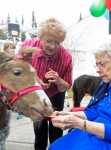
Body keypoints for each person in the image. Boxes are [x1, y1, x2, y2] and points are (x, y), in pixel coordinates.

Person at [47, 36, 111, 150]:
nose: (97, 69)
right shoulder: (107, 82)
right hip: (91, 136)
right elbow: (93, 111)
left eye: (102, 64)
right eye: (96, 64)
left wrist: (80, 124)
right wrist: (68, 115)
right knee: (56, 146)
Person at [21, 17, 72, 150]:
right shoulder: (29, 46)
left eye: (57, 42)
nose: (53, 46)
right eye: (49, 41)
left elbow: (66, 86)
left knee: (56, 129)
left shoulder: (66, 57)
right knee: (39, 131)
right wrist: (37, 80)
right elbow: (18, 69)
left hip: (56, 95)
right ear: (41, 38)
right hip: (36, 96)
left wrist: (58, 80)